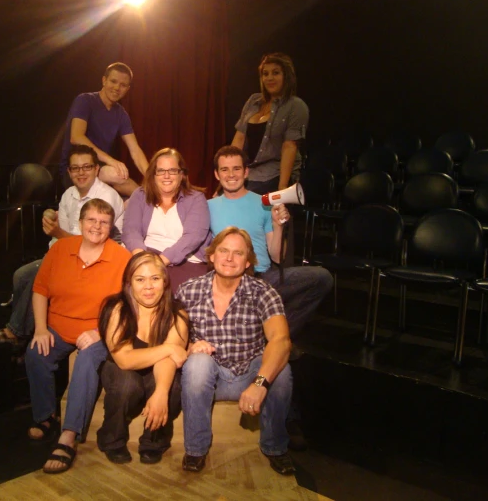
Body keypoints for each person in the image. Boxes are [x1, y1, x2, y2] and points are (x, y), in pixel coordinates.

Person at [208, 146, 333, 450]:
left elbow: (277, 255)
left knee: (320, 278)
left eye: (236, 168)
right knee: (281, 354)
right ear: (216, 174)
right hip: (232, 281)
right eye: (224, 170)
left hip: (265, 277)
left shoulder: (262, 203)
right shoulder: (208, 206)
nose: (231, 175)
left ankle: (276, 336)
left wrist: (278, 226)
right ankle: (288, 419)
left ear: (246, 171)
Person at [176, 227, 296, 475]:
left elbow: (281, 340)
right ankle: (195, 450)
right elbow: (172, 341)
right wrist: (189, 347)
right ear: (211, 255)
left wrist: (260, 383)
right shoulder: (188, 290)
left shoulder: (263, 292)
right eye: (223, 251)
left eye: (238, 253)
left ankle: (275, 447)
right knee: (197, 362)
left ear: (248, 261)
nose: (229, 258)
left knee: (281, 369)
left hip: (250, 376)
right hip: (208, 378)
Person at [24, 199, 131, 474]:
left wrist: (100, 333)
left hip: (99, 332)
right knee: (36, 353)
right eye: (91, 220)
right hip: (58, 327)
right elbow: (40, 290)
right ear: (81, 223)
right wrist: (40, 328)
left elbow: (128, 306)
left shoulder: (121, 257)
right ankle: (45, 416)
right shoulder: (61, 248)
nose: (97, 226)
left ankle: (68, 435)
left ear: (110, 227)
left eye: (104, 222)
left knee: (86, 361)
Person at [0, 145, 124, 345]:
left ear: (96, 169)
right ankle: (27, 332)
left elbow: (92, 240)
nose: (81, 173)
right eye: (75, 168)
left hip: (94, 258)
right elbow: (63, 239)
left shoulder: (106, 197)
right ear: (69, 171)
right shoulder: (68, 195)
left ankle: (16, 332)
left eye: (86, 167)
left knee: (38, 278)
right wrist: (54, 243)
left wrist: (57, 234)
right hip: (67, 252)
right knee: (21, 275)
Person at [96, 252, 189, 465]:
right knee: (127, 383)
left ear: (165, 282)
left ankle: (153, 442)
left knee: (173, 386)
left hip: (157, 371)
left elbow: (170, 360)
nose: (148, 286)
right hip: (121, 370)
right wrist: (168, 348)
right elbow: (124, 360)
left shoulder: (177, 312)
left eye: (155, 279)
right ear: (129, 283)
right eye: (140, 279)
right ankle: (111, 438)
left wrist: (161, 393)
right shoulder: (117, 308)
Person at [122, 148, 212, 290]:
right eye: (161, 171)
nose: (166, 176)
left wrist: (160, 262)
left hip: (185, 260)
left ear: (181, 174)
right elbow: (130, 230)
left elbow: (193, 237)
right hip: (145, 254)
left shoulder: (196, 199)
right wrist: (142, 259)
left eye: (172, 171)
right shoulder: (139, 195)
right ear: (154, 174)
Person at [59, 62, 149, 196]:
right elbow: (76, 137)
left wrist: (152, 176)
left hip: (101, 171)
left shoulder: (121, 113)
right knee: (116, 173)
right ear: (104, 80)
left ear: (127, 89)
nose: (117, 87)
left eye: (123, 85)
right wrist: (111, 160)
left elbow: (135, 150)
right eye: (113, 81)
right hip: (77, 170)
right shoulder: (85, 100)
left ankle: (150, 199)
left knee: (119, 178)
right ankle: (148, 199)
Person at [231, 53, 308, 195]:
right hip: (249, 172)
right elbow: (239, 138)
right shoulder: (253, 101)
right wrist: (229, 173)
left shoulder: (296, 105)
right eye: (265, 74)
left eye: (276, 73)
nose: (270, 78)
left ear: (287, 76)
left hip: (274, 174)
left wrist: (282, 190)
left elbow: (289, 147)